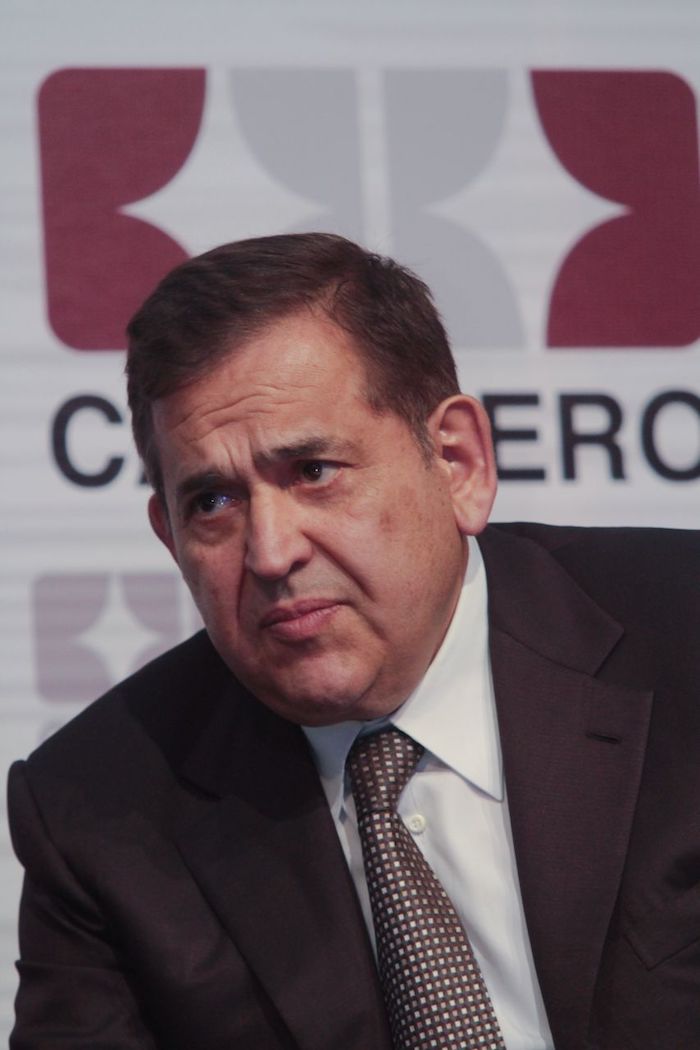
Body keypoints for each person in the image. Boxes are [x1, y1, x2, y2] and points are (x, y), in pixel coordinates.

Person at [7, 233, 700, 1050]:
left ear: (457, 463)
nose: (271, 553)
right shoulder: (99, 810)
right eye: (213, 502)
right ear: (170, 538)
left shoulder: (681, 633)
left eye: (313, 471)